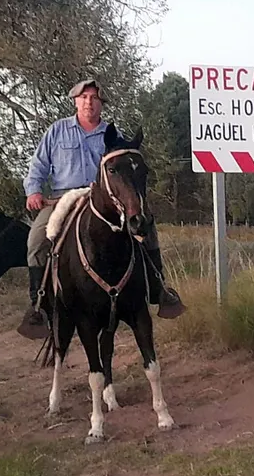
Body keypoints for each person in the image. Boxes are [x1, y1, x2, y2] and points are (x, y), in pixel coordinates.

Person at [18, 78, 185, 339]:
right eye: (84, 97)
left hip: (105, 198)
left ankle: (159, 289)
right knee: (36, 239)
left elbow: (126, 170)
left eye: (94, 98)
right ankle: (38, 304)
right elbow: (37, 167)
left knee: (146, 227)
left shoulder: (112, 135)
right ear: (75, 101)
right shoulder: (57, 131)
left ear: (101, 104)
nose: (89, 102)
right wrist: (34, 191)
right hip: (65, 198)